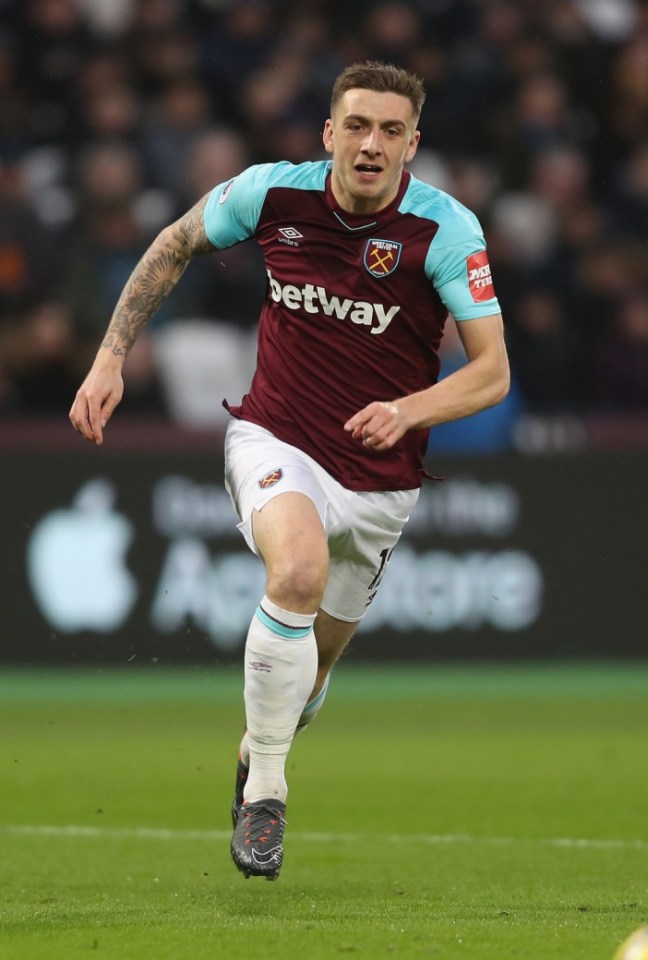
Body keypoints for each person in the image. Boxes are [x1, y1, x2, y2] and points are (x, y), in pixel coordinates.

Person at [69, 60, 510, 881]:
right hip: (277, 437)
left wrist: (411, 410)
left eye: (389, 131)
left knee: (310, 678)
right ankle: (267, 795)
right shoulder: (271, 194)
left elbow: (493, 372)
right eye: (356, 125)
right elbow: (175, 243)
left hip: (382, 477)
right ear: (328, 133)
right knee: (296, 572)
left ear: (412, 144)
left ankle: (258, 747)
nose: (370, 144)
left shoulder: (444, 230)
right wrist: (109, 358)